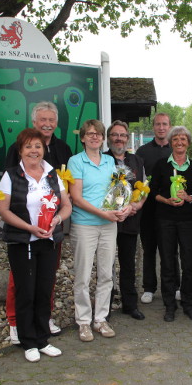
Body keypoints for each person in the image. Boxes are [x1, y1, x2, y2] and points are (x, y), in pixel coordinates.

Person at [0, 128, 72, 362]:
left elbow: (66, 205)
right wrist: (30, 228)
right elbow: (3, 210)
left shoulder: (52, 175)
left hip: (48, 240)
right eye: (28, 146)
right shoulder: (10, 176)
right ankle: (28, 341)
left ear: (44, 149)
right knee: (25, 291)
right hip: (22, 242)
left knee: (44, 290)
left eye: (38, 146)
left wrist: (56, 221)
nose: (33, 150)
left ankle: (42, 339)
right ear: (20, 150)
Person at [68, 119, 131, 341]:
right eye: (90, 133)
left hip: (108, 225)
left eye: (98, 134)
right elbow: (76, 198)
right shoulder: (76, 161)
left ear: (103, 138)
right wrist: (103, 213)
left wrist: (122, 209)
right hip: (85, 224)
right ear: (83, 137)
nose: (95, 137)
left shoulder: (109, 161)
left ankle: (100, 319)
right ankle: (84, 321)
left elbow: (116, 191)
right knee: (83, 276)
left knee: (106, 274)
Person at [150, 126, 192, 322]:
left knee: (188, 262)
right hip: (165, 219)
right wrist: (166, 200)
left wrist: (189, 198)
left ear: (188, 142)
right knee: (167, 262)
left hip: (188, 220)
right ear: (170, 142)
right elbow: (153, 191)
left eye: (183, 139)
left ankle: (188, 304)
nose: (179, 142)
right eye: (175, 139)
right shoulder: (161, 164)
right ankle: (170, 305)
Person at [105, 120, 147, 320]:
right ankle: (105, 306)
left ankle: (130, 304)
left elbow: (145, 188)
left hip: (130, 220)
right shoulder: (102, 159)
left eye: (122, 135)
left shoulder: (137, 160)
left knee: (128, 263)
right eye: (114, 134)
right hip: (106, 220)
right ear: (108, 138)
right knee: (106, 264)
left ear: (127, 138)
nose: (118, 138)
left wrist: (136, 206)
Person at [135, 112, 173, 304]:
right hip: (147, 210)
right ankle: (149, 287)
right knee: (149, 249)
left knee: (169, 251)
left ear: (169, 126)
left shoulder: (175, 149)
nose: (161, 127)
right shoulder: (142, 152)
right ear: (153, 126)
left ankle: (173, 287)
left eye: (164, 124)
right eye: (157, 124)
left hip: (168, 211)